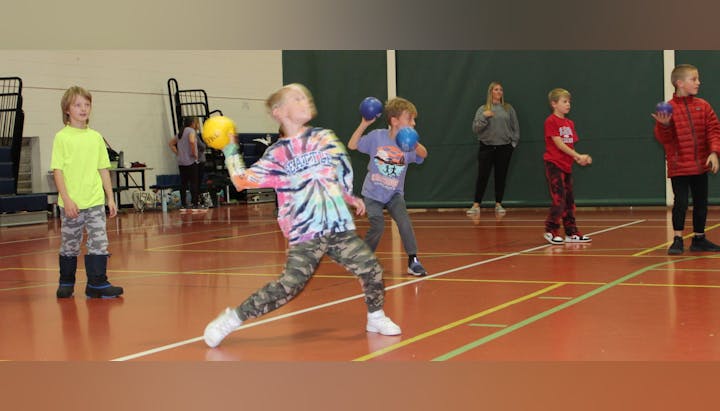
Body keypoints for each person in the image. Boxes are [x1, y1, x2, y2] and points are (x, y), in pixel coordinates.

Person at [203, 83, 401, 348]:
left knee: (371, 269)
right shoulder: (276, 155)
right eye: (296, 98)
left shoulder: (325, 138)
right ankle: (231, 318)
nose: (305, 100)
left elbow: (336, 171)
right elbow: (241, 181)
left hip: (337, 227)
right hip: (305, 233)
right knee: (289, 287)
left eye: (305, 96)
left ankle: (375, 316)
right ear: (279, 112)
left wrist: (349, 196)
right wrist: (229, 151)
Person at [51, 86, 123, 298]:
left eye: (87, 104)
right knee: (70, 244)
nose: (83, 109)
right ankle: (66, 282)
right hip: (72, 203)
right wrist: (66, 199)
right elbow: (58, 171)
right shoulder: (62, 137)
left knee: (99, 242)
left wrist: (110, 198)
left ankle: (97, 283)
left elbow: (103, 169)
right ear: (67, 109)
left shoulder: (96, 137)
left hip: (94, 201)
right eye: (77, 105)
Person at [348, 97, 429, 276]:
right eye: (410, 119)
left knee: (404, 222)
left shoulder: (408, 144)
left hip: (394, 194)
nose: (414, 123)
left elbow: (424, 154)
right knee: (378, 225)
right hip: (372, 193)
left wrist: (414, 142)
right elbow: (352, 145)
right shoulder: (377, 137)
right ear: (394, 121)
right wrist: (364, 123)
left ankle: (413, 260)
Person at [652, 64, 720, 255]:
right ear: (679, 83)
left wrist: (714, 152)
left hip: (700, 165)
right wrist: (664, 126)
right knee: (680, 202)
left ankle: (699, 238)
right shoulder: (669, 108)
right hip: (679, 166)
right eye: (694, 79)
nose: (698, 82)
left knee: (701, 202)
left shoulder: (703, 105)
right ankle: (677, 239)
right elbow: (664, 140)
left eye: (698, 79)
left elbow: (714, 130)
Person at [542, 88, 593, 245]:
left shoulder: (569, 123)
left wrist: (578, 159)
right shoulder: (551, 121)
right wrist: (577, 155)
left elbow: (570, 145)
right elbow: (558, 143)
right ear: (554, 104)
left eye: (569, 101)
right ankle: (551, 230)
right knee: (559, 198)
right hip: (554, 164)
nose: (568, 104)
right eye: (564, 101)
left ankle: (571, 232)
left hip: (567, 166)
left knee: (569, 200)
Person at [467, 81, 520, 215]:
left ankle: (498, 204)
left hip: (504, 148)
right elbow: (476, 129)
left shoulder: (508, 108)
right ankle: (476, 205)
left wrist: (513, 144)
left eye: (501, 90)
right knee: (482, 176)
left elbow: (515, 127)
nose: (499, 92)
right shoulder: (482, 109)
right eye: (496, 90)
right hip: (486, 147)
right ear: (491, 92)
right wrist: (485, 116)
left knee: (500, 176)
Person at [169, 116, 206, 212]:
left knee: (183, 183)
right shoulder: (191, 131)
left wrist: (178, 153)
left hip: (181, 162)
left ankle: (183, 204)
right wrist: (194, 153)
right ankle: (195, 203)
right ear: (193, 123)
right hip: (191, 161)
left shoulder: (181, 132)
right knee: (194, 182)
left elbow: (171, 144)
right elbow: (192, 141)